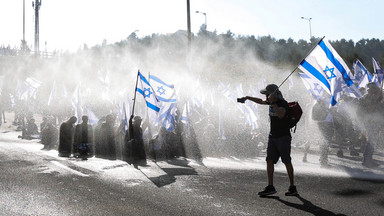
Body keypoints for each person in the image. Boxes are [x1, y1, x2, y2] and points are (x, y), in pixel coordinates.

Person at [239, 84, 298, 196]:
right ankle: (270, 186)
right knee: (269, 160)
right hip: (273, 137)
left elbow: (281, 115)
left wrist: (273, 103)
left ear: (274, 95)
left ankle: (292, 187)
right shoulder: (270, 101)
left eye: (267, 94)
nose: (266, 97)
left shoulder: (282, 103)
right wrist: (247, 97)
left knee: (286, 161)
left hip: (283, 137)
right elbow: (260, 101)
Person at [357, 82, 383, 168]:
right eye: (374, 89)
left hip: (376, 122)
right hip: (370, 122)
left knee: (373, 141)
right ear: (370, 90)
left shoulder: (375, 97)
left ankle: (369, 159)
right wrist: (377, 101)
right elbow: (370, 109)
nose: (376, 90)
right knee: (371, 141)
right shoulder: (366, 98)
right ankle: (366, 160)